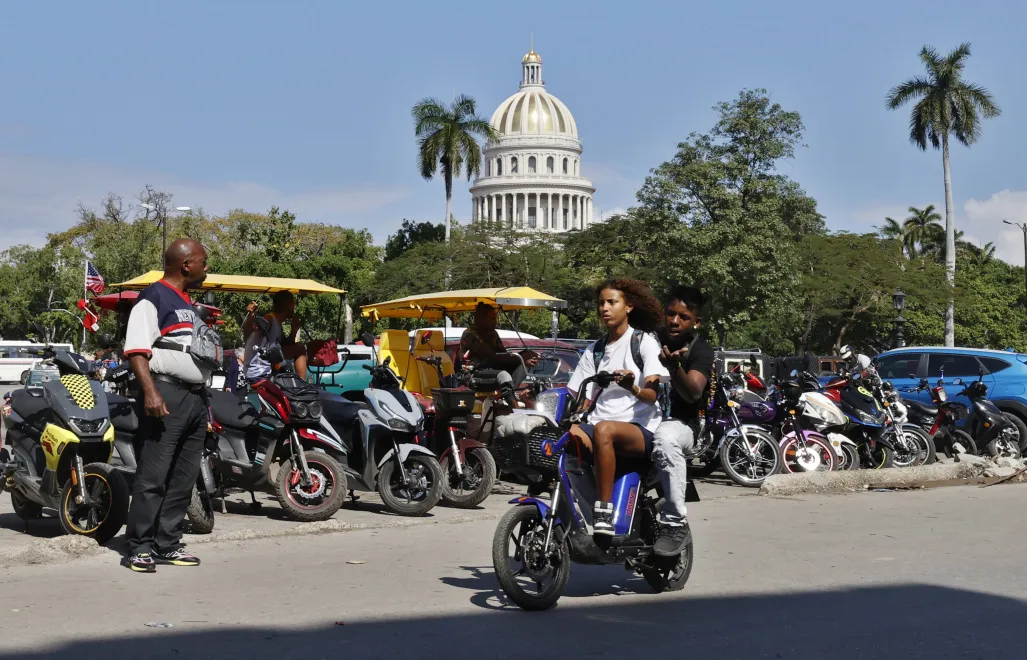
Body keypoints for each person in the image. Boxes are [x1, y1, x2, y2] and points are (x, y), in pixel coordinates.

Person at [122, 239, 213, 572]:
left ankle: (168, 543)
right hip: (166, 395)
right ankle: (140, 547)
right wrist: (151, 392)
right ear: (186, 264)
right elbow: (136, 350)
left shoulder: (187, 301)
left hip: (194, 398)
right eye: (204, 261)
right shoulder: (154, 297)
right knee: (154, 476)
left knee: (183, 478)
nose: (207, 266)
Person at [566, 280, 669, 536]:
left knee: (603, 430)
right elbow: (582, 397)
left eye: (612, 302)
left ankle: (603, 510)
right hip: (601, 427)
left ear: (629, 306)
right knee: (565, 442)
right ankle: (585, 512)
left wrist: (631, 386)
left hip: (640, 430)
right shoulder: (594, 351)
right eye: (601, 303)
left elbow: (650, 395)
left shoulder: (643, 342)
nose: (605, 308)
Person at [651, 285, 715, 556]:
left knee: (665, 437)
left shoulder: (700, 350)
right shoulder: (646, 340)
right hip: (641, 422)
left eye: (683, 317)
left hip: (684, 427)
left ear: (696, 322)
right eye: (670, 313)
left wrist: (674, 367)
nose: (674, 321)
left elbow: (693, 393)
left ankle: (675, 523)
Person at [242, 291, 308, 382]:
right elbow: (250, 331)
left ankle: (300, 383)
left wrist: (294, 330)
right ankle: (302, 383)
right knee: (300, 348)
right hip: (258, 370)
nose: (294, 308)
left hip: (268, 364)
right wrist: (251, 316)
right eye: (293, 305)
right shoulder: (269, 319)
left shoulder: (277, 323)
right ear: (287, 305)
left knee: (299, 348)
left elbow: (286, 345)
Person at [459, 302, 539, 377]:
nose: (496, 322)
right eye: (493, 318)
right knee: (504, 375)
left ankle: (512, 390)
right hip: (475, 372)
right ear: (481, 319)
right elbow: (492, 356)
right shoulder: (470, 334)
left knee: (521, 368)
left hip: (492, 369)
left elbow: (503, 353)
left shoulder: (493, 333)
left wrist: (524, 354)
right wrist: (522, 358)